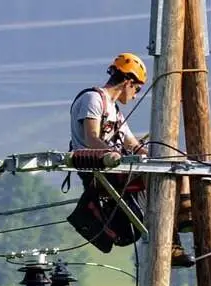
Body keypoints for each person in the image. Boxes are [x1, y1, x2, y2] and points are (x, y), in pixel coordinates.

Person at [65, 52, 195, 268]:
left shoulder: (115, 112)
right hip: (98, 170)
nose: (135, 96)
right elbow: (92, 138)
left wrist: (157, 156)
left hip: (117, 168)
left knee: (175, 164)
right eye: (137, 89)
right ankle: (173, 235)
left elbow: (132, 143)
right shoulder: (93, 99)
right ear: (128, 82)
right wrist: (115, 155)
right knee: (159, 179)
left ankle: (184, 213)